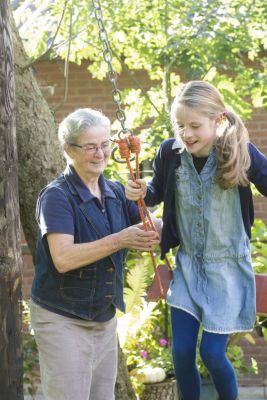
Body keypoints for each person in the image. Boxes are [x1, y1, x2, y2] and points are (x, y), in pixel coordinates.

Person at [125, 81, 267, 400]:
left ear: (217, 121)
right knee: (182, 351)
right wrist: (139, 191)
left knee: (213, 354)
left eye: (194, 125)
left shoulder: (237, 151)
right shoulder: (170, 152)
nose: (186, 133)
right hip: (189, 267)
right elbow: (155, 193)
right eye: (180, 125)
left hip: (228, 271)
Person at [30, 108, 160, 400]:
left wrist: (149, 202)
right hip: (61, 317)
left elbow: (149, 228)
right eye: (90, 147)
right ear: (68, 150)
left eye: (104, 145)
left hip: (102, 316)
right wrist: (121, 239)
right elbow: (63, 259)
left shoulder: (114, 190)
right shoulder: (56, 197)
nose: (100, 153)